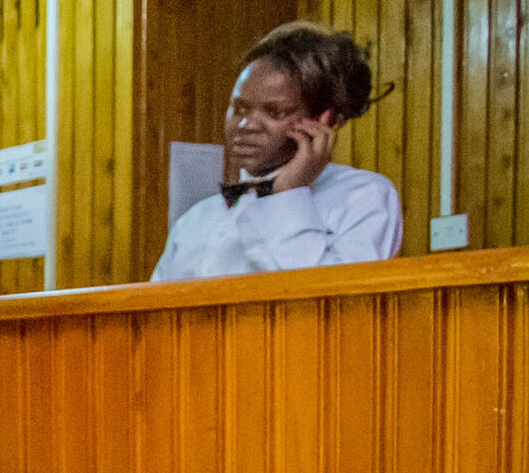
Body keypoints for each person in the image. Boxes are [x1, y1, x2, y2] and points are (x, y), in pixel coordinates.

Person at [152, 23, 401, 280]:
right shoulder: (196, 219)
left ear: (324, 119)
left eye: (274, 112)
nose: (247, 125)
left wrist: (289, 193)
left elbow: (332, 300)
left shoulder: (364, 197)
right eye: (239, 108)